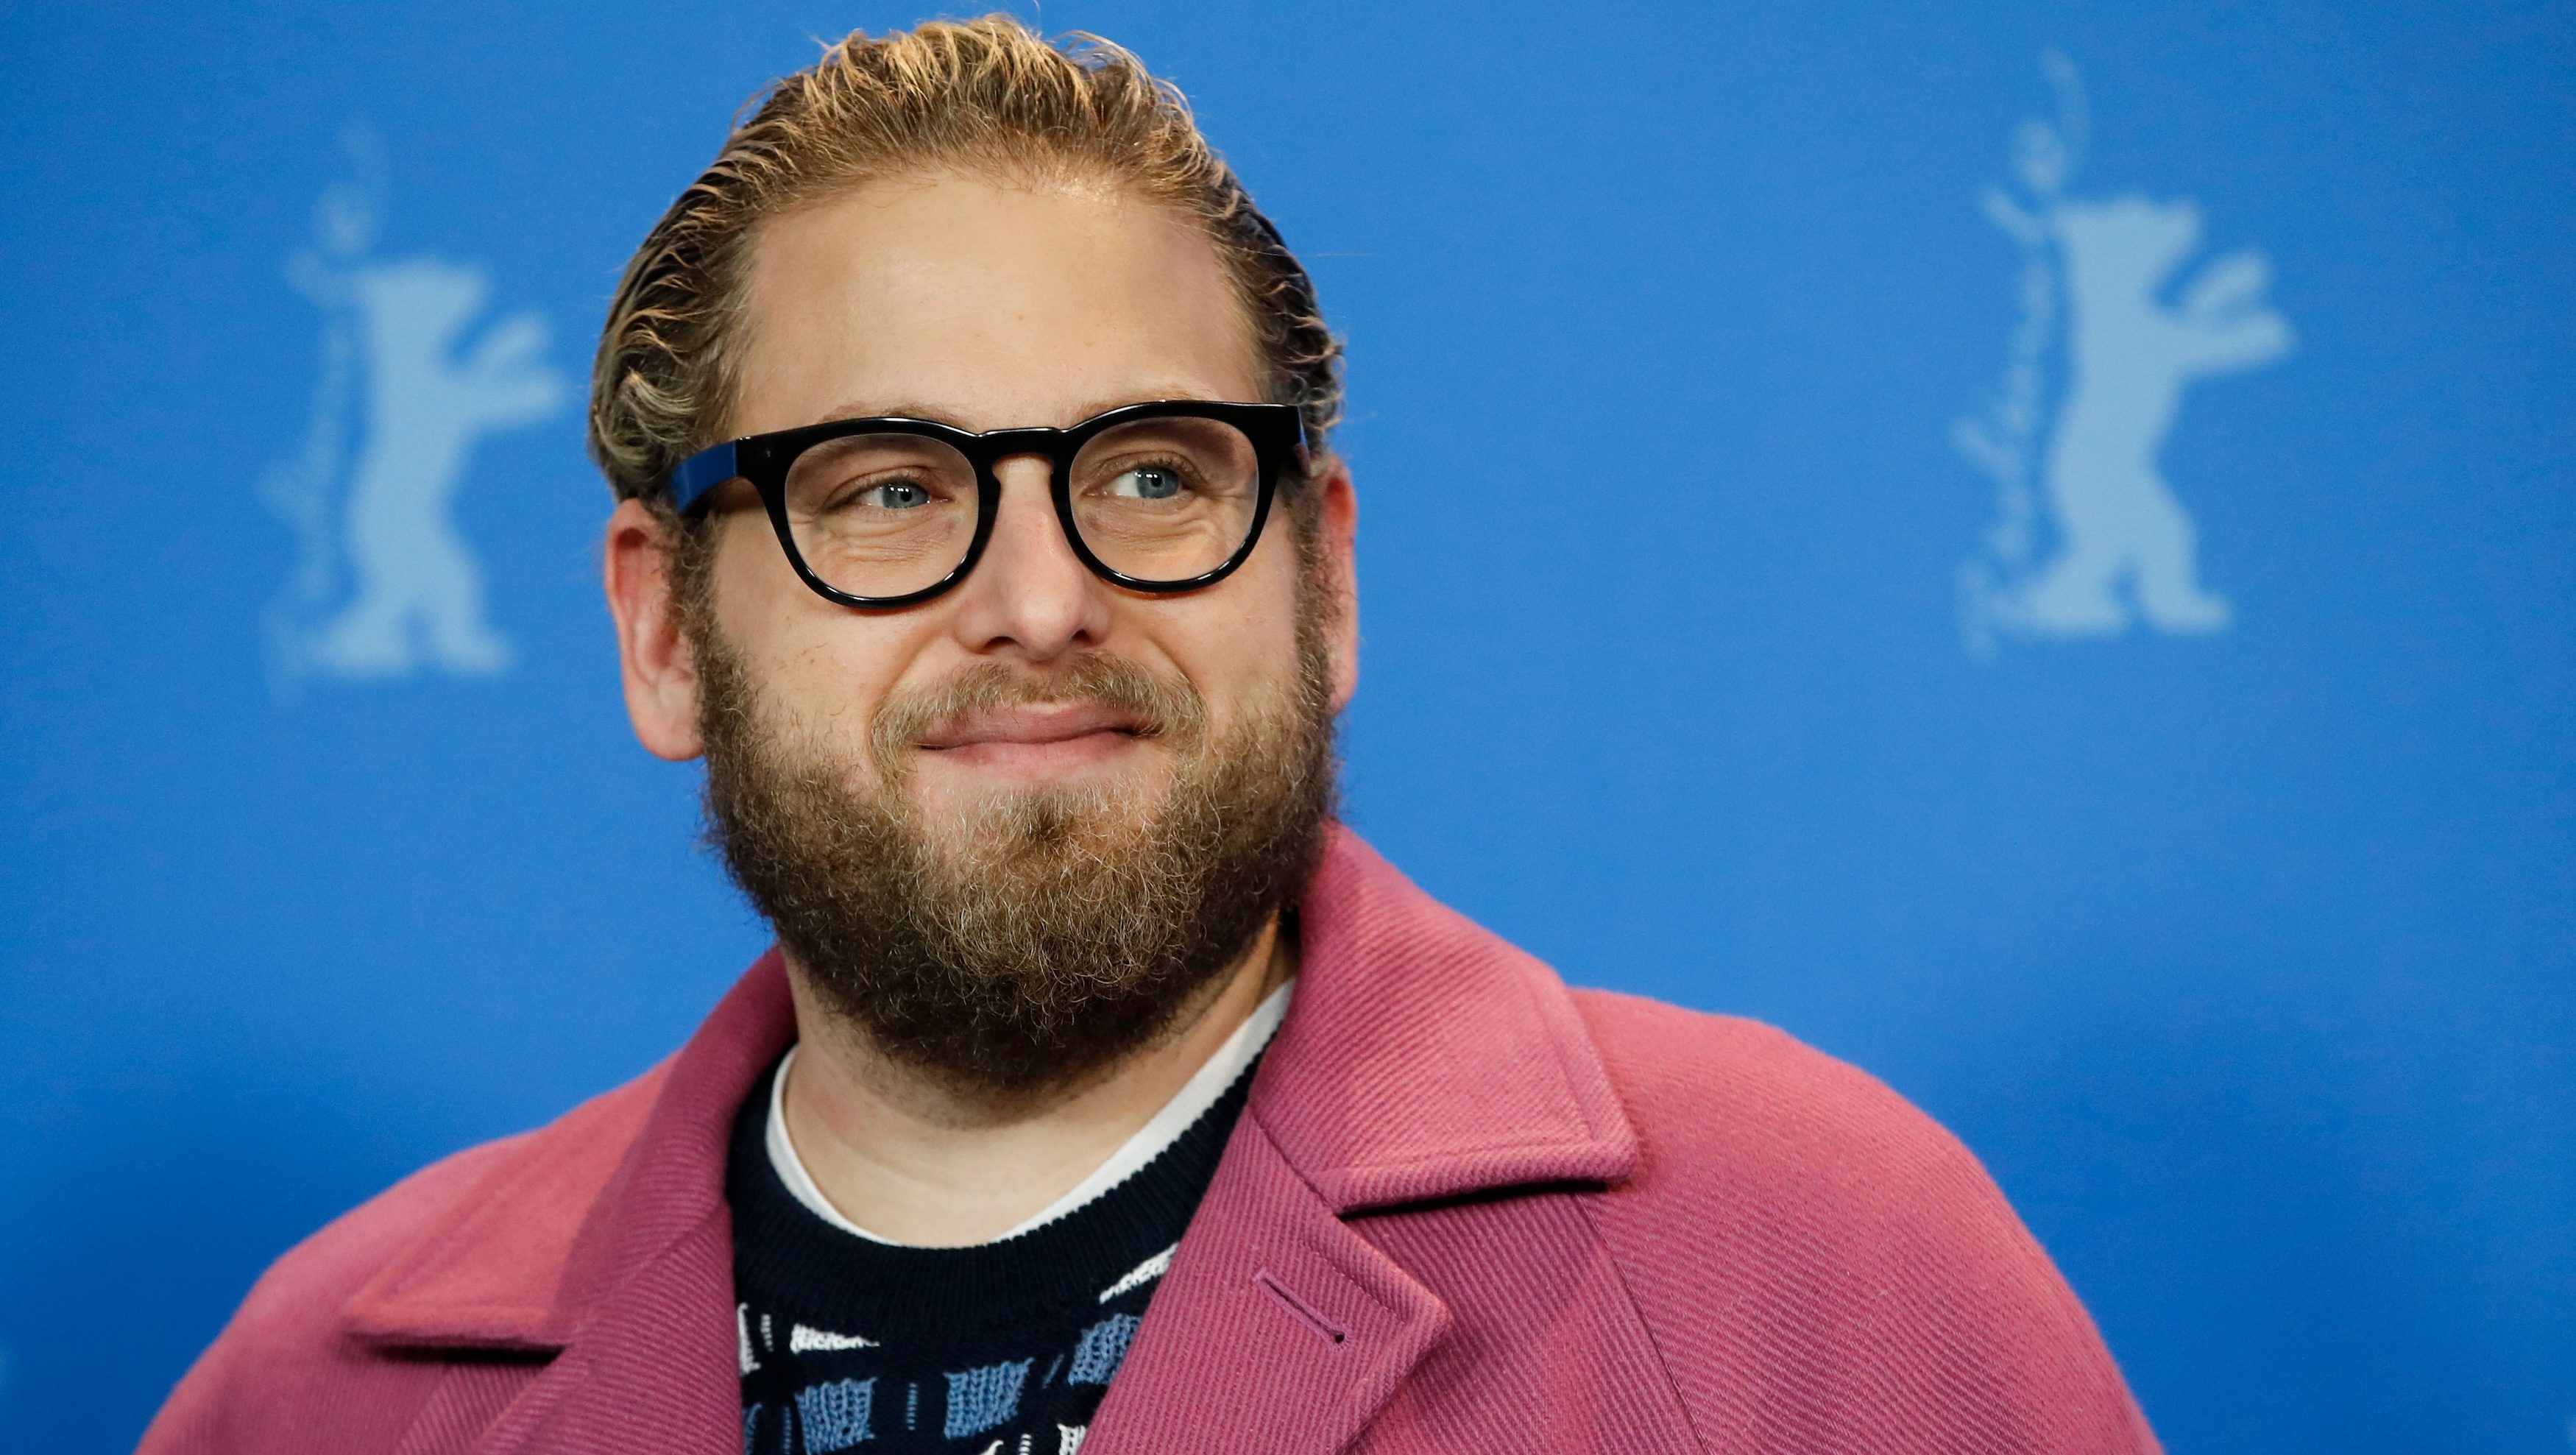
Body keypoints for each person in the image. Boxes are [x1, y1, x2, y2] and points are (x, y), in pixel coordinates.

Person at [143, 17, 2161, 1454]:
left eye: (1154, 475)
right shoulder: (326, 1389)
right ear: (665, 630)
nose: (1038, 596)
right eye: (884, 490)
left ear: (1323, 579)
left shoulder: (1814, 1278)